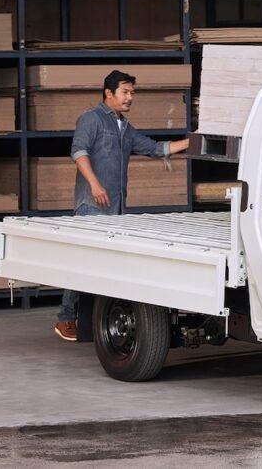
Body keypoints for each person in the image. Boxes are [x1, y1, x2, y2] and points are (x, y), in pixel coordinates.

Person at [54, 70, 189, 341]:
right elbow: (78, 152)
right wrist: (95, 185)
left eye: (132, 93)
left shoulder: (125, 127)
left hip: (116, 209)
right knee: (81, 262)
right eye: (125, 92)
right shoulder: (91, 118)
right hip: (91, 205)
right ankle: (65, 318)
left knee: (103, 266)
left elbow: (155, 149)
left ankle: (92, 323)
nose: (130, 98)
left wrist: (193, 141)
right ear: (109, 92)